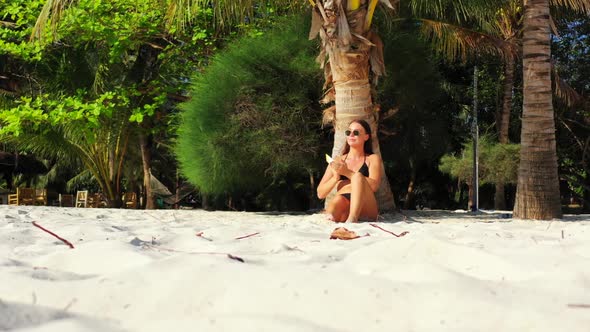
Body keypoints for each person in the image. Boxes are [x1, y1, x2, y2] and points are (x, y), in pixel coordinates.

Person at [317, 119, 383, 222]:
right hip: (343, 203)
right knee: (333, 209)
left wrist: (348, 173)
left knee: (357, 176)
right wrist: (335, 178)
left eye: (356, 132)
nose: (351, 135)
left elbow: (374, 186)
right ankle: (336, 220)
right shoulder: (338, 161)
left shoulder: (372, 158)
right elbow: (320, 193)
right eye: (348, 132)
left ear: (366, 137)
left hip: (366, 207)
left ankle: (352, 219)